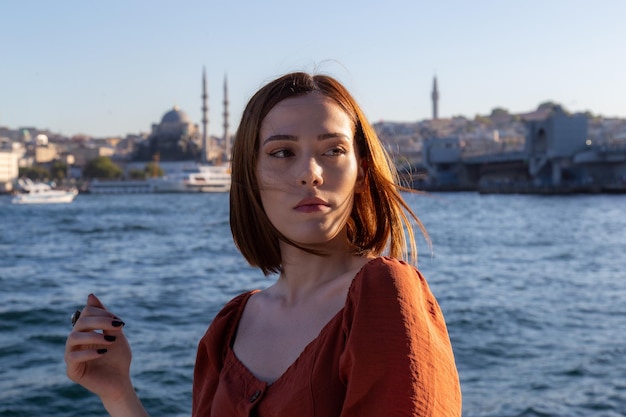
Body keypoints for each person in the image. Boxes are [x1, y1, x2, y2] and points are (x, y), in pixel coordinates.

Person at [65, 71, 462, 416]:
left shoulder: (383, 293)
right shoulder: (229, 327)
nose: (310, 174)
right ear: (250, 176)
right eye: (283, 152)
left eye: (333, 150)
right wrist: (118, 391)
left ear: (360, 171)